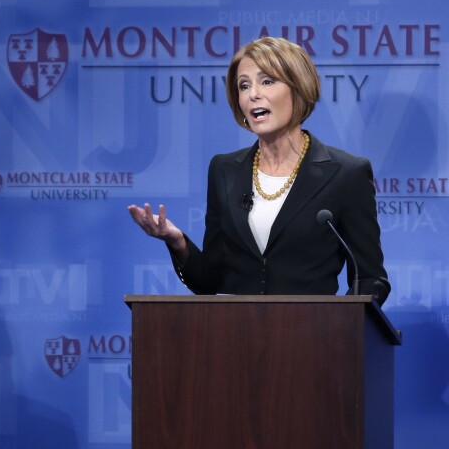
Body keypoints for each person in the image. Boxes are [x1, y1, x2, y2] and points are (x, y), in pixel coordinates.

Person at [128, 36, 390, 304]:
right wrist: (177, 242)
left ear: (298, 88)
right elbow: (209, 280)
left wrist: (342, 325)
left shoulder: (346, 173)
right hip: (235, 337)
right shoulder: (224, 170)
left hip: (312, 339)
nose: (253, 94)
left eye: (267, 81)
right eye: (244, 85)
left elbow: (369, 278)